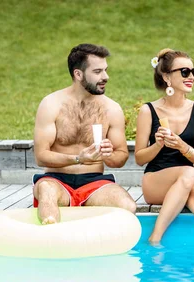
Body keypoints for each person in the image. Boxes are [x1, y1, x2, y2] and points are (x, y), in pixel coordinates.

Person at [134, 48, 194, 252]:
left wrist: (182, 146)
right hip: (156, 181)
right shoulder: (148, 111)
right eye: (184, 72)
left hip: (186, 181)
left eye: (193, 72)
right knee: (190, 172)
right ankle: (155, 236)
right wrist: (158, 144)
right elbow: (139, 158)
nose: (191, 77)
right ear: (167, 77)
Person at [33, 43, 136, 224]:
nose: (106, 77)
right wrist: (78, 159)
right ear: (78, 74)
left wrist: (108, 155)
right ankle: (51, 239)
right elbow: (41, 156)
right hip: (56, 180)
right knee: (46, 191)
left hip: (94, 182)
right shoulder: (52, 104)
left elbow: (121, 157)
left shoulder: (111, 109)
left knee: (127, 206)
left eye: (105, 70)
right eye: (97, 72)